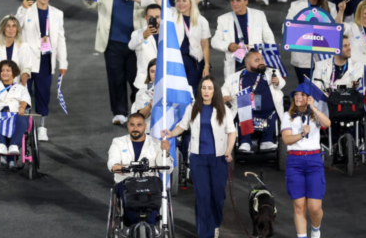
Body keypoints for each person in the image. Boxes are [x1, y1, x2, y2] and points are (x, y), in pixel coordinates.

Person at [163, 76, 236, 238]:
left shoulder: (224, 109)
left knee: (217, 196)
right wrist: (171, 133)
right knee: (203, 197)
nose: (206, 91)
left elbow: (232, 132)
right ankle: (206, 233)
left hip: (219, 159)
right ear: (200, 90)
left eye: (210, 88)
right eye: (204, 88)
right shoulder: (192, 107)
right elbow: (182, 126)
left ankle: (215, 224)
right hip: (198, 159)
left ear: (214, 91)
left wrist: (229, 151)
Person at [79, 0, 144, 125]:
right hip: (113, 43)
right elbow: (91, 3)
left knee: (137, 79)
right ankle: (119, 112)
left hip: (136, 45)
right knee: (116, 79)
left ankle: (139, 111)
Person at [17, 0, 68, 141]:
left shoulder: (57, 13)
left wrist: (63, 61)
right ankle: (23, 126)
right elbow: (15, 27)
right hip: (27, 60)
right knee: (23, 94)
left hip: (46, 60)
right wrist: (22, 9)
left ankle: (42, 127)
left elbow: (60, 38)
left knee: (43, 95)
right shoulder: (26, 10)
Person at [280, 84, 331, 238]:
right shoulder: (287, 116)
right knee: (299, 206)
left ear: (309, 98)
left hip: (314, 161)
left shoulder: (314, 115)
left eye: (302, 95)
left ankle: (316, 230)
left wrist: (313, 107)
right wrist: (302, 134)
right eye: (296, 94)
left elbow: (327, 124)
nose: (298, 97)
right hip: (295, 162)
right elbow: (287, 139)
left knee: (315, 207)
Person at [108, 112, 171, 226]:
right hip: (126, 182)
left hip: (150, 183)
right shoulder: (118, 142)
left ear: (145, 126)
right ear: (128, 125)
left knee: (151, 211)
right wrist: (117, 166)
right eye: (132, 125)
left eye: (139, 125)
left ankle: (149, 225)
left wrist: (165, 153)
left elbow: (166, 169)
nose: (135, 128)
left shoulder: (156, 143)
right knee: (132, 211)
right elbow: (112, 160)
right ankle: (135, 225)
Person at [221, 50, 284, 153]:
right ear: (247, 64)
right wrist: (225, 95)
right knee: (243, 111)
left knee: (272, 115)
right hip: (246, 112)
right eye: (257, 60)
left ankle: (267, 140)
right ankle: (245, 142)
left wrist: (277, 82)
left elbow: (281, 83)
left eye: (262, 59)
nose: (262, 62)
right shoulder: (235, 77)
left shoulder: (272, 72)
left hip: (268, 112)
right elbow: (224, 88)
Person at [211, 0, 276, 79]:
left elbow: (269, 39)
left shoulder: (259, 15)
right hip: (234, 65)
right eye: (232, 1)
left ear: (246, 1)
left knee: (256, 91)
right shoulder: (223, 19)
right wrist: (228, 46)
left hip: (255, 64)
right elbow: (214, 41)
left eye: (238, 1)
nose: (234, 4)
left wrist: (271, 63)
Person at [285, 0, 339, 82]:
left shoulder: (330, 7)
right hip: (302, 58)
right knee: (304, 89)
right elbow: (286, 27)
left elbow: (336, 31)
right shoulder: (296, 6)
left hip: (324, 58)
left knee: (322, 89)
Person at [0, 60, 33, 168]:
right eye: (2, 70)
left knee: (22, 120)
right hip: (0, 114)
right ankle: (1, 145)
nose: (5, 73)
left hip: (15, 113)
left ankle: (14, 145)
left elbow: (25, 100)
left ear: (14, 73)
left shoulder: (20, 88)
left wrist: (22, 108)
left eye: (8, 70)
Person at [175, 0, 212, 91]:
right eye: (178, 0)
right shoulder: (172, 17)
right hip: (176, 61)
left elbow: (205, 45)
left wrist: (206, 66)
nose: (180, 3)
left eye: (184, 1)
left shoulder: (202, 21)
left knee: (193, 92)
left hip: (194, 63)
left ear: (191, 3)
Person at [0, 15, 32, 88]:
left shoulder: (24, 46)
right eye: (8, 26)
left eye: (14, 26)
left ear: (17, 29)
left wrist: (21, 88)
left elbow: (26, 69)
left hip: (17, 87)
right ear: (3, 28)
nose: (11, 29)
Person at [129, 4, 161, 93]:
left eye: (157, 17)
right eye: (151, 17)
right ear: (146, 18)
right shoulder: (137, 34)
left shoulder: (169, 35)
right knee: (144, 107)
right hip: (144, 83)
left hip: (164, 82)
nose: (155, 20)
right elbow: (131, 46)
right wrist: (144, 35)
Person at [130, 59, 157, 131]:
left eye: (158, 71)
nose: (155, 74)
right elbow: (139, 117)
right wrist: (149, 105)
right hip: (149, 132)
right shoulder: (142, 92)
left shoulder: (173, 90)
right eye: (152, 71)